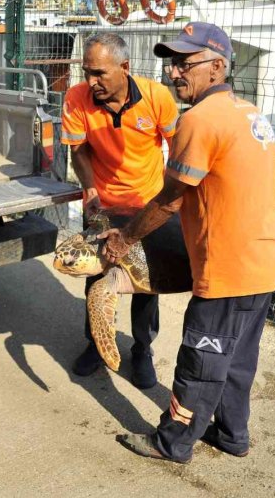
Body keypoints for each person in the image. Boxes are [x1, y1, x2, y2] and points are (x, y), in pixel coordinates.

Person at [102, 22, 275, 463]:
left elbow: (168, 200)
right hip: (267, 259)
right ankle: (231, 434)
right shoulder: (250, 113)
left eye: (186, 64)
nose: (173, 73)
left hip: (230, 268)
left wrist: (124, 239)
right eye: (172, 63)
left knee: (201, 362)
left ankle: (173, 442)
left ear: (218, 66)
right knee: (238, 358)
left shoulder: (199, 121)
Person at [61, 32, 179, 388]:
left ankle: (142, 349)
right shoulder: (77, 98)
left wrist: (173, 201)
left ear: (124, 68)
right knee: (97, 276)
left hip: (147, 203)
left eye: (99, 73)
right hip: (102, 201)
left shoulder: (157, 97)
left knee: (146, 282)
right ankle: (96, 344)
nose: (91, 81)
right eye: (87, 72)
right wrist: (91, 189)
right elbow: (78, 150)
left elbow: (181, 148)